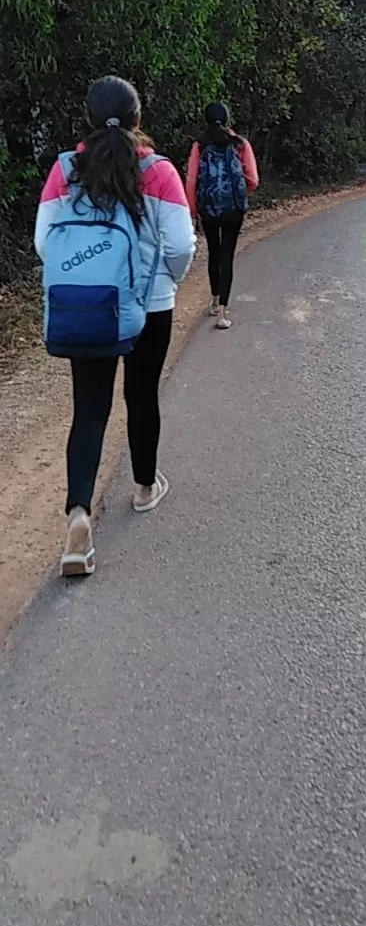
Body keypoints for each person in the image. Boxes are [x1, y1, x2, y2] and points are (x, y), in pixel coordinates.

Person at [35, 76, 195, 577]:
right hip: (149, 306)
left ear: (88, 118)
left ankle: (79, 516)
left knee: (89, 410)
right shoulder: (160, 172)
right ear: (137, 119)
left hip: (89, 305)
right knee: (141, 396)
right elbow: (181, 247)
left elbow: (46, 243)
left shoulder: (67, 169)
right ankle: (145, 487)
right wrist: (160, 283)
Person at [185, 102, 259, 329]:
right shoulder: (240, 144)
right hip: (233, 210)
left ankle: (215, 301)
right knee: (227, 255)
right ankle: (223, 315)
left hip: (208, 210)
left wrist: (194, 211)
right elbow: (253, 180)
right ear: (227, 119)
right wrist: (239, 195)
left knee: (214, 253)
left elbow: (191, 180)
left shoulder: (199, 145)